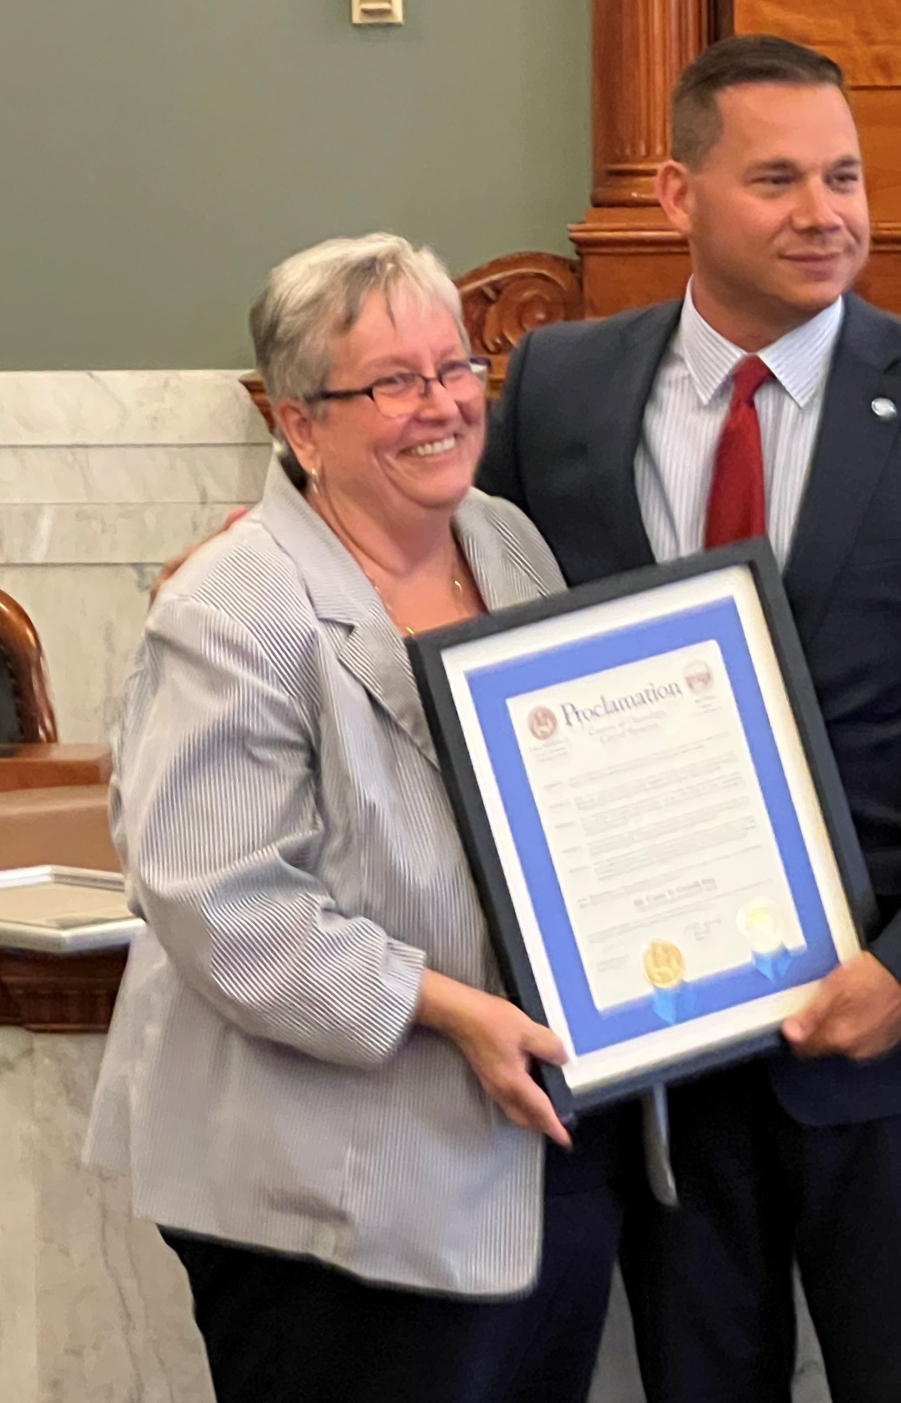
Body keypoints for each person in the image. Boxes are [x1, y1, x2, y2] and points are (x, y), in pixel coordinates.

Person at [476, 34, 901, 1403]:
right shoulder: (563, 387)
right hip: (657, 1045)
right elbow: (467, 619)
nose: (827, 213)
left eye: (845, 175)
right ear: (675, 191)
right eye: (777, 178)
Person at [84, 233, 632, 1403]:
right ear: (299, 424)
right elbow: (224, 908)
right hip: (327, 1187)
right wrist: (448, 1007)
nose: (438, 406)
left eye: (455, 367)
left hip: (530, 1146)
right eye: (391, 382)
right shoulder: (231, 605)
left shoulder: (506, 542)